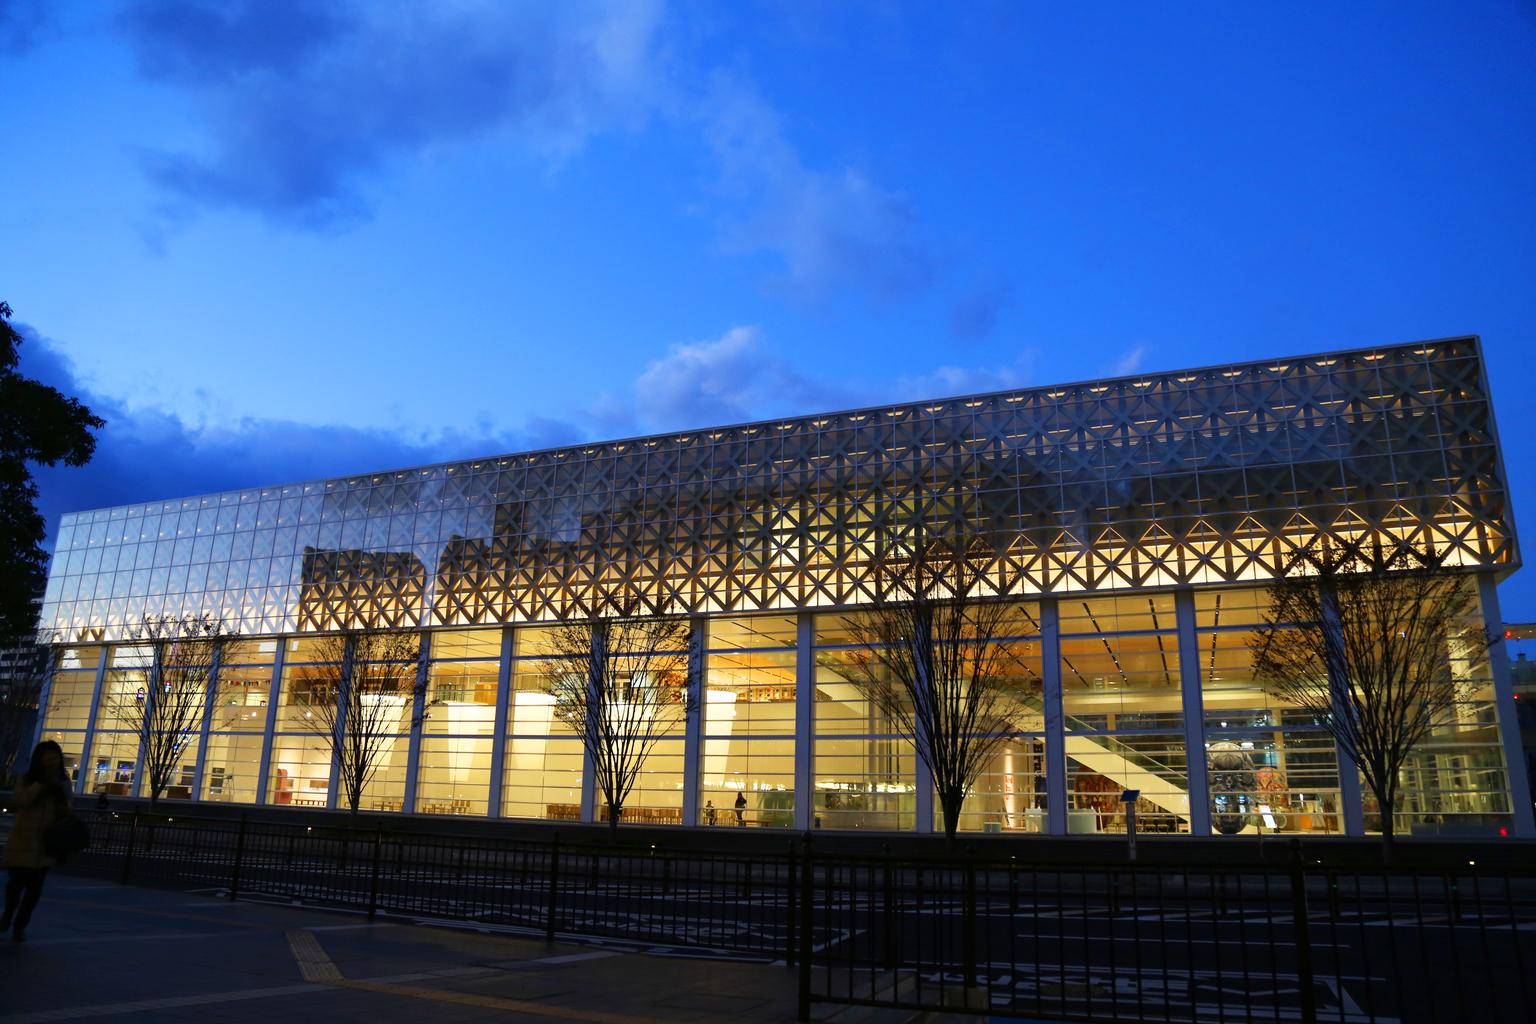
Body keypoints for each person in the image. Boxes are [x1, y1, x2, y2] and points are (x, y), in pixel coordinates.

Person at [1, 740, 74, 941]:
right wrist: (39, 784)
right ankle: (7, 915)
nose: (52, 762)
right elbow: (21, 801)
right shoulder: (28, 779)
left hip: (46, 842)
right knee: (15, 885)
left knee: (34, 890)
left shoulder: (63, 781)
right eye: (48, 759)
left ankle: (20, 926)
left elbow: (67, 810)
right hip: (23, 840)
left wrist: (61, 798)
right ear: (40, 761)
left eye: (56, 758)